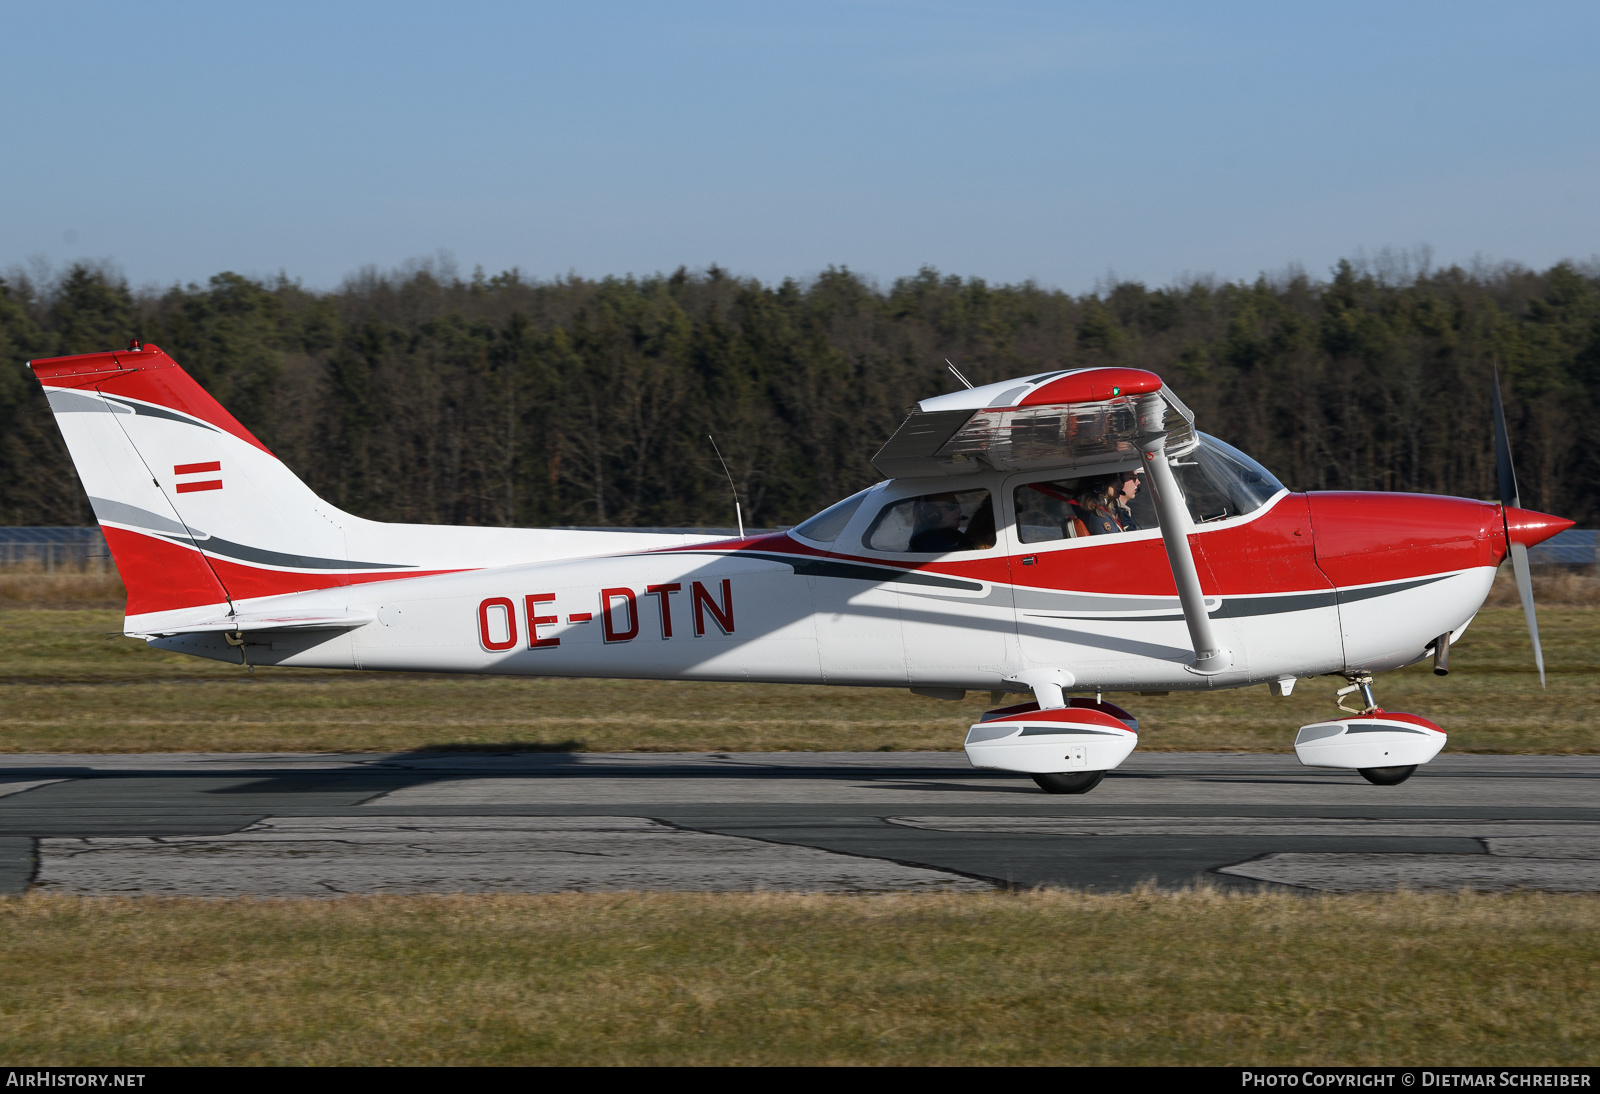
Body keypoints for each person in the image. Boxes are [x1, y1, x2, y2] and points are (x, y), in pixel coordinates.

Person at [1072, 471, 1142, 536]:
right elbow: (1115, 545)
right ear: (1101, 484)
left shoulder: (1109, 510)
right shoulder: (1099, 514)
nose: (1121, 484)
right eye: (1115, 480)